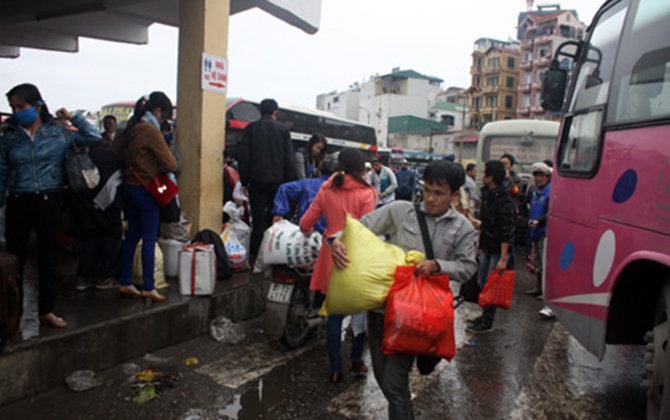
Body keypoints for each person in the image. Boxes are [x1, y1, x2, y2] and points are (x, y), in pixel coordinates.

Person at [331, 160, 478, 420]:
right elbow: (359, 227)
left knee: (394, 384)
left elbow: (467, 267)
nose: (430, 199)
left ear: (455, 195)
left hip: (418, 315)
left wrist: (436, 265)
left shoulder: (463, 228)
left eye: (439, 193)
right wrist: (339, 242)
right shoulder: (401, 211)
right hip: (381, 309)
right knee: (383, 377)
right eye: (427, 190)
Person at [0, 83, 102, 328]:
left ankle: (46, 309)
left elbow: (93, 137)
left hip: (49, 199)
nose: (17, 112)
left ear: (37, 106)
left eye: (21, 106)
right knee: (16, 258)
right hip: (17, 200)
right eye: (13, 107)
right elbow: (2, 169)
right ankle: (16, 311)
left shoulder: (57, 133)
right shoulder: (9, 137)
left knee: (47, 257)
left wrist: (73, 117)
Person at [299, 148, 377, 384]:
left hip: (330, 258)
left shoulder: (326, 189)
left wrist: (324, 233)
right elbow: (367, 231)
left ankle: (335, 368)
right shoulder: (367, 193)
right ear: (361, 167)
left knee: (333, 315)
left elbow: (305, 224)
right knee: (360, 311)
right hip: (356, 260)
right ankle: (355, 360)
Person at [108, 92, 178, 302]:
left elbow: (114, 151)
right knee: (149, 237)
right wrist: (150, 166)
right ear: (158, 111)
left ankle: (126, 282)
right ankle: (149, 285)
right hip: (147, 189)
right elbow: (172, 164)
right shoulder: (150, 130)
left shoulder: (133, 127)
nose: (163, 120)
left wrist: (135, 164)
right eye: (164, 116)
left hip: (129, 187)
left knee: (132, 237)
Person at [238, 98, 296, 259]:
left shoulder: (251, 129)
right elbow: (289, 159)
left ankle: (257, 255)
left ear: (260, 112)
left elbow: (244, 157)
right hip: (278, 183)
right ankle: (275, 254)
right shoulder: (283, 130)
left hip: (256, 181)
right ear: (275, 112)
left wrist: (244, 181)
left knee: (257, 220)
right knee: (276, 219)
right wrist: (288, 183)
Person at [467, 160, 516, 333]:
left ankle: (488, 321)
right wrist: (480, 246)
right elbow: (486, 224)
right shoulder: (488, 195)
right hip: (487, 246)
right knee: (482, 282)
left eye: (484, 172)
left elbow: (506, 231)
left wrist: (503, 258)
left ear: (491, 176)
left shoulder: (504, 200)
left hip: (497, 250)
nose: (481, 176)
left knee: (491, 284)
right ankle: (484, 315)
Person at [73, 141, 124, 291]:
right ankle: (105, 277)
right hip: (106, 200)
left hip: (84, 199)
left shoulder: (96, 152)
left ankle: (82, 277)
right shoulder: (120, 154)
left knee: (92, 236)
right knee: (113, 235)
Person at [272, 153, 337, 234]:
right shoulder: (346, 193)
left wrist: (279, 213)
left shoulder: (308, 184)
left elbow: (284, 189)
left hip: (304, 236)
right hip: (331, 240)